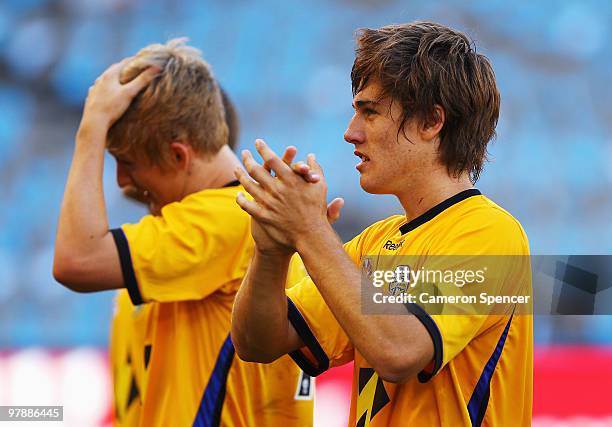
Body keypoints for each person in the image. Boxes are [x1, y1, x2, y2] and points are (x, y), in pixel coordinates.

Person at [231, 22, 533, 426]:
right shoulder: (376, 241)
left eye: (369, 111)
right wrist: (271, 252)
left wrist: (310, 232)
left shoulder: (491, 234)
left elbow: (400, 352)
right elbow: (258, 342)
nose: (350, 132)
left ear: (430, 122)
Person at [53, 39, 315, 426]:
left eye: (126, 163)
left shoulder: (227, 218)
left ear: (179, 155)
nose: (122, 180)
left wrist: (91, 128)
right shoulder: (209, 228)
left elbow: (76, 260)